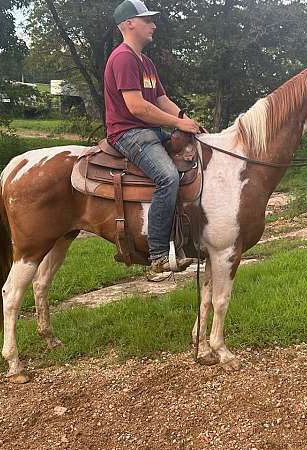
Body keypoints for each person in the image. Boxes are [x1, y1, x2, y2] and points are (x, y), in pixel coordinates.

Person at [104, 0, 200, 274]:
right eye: (147, 20)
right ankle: (157, 254)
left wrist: (186, 120)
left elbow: (160, 99)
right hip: (128, 132)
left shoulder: (145, 62)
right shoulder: (122, 58)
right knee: (167, 176)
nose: (153, 25)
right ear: (128, 24)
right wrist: (177, 123)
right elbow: (137, 107)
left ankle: (188, 237)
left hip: (149, 131)